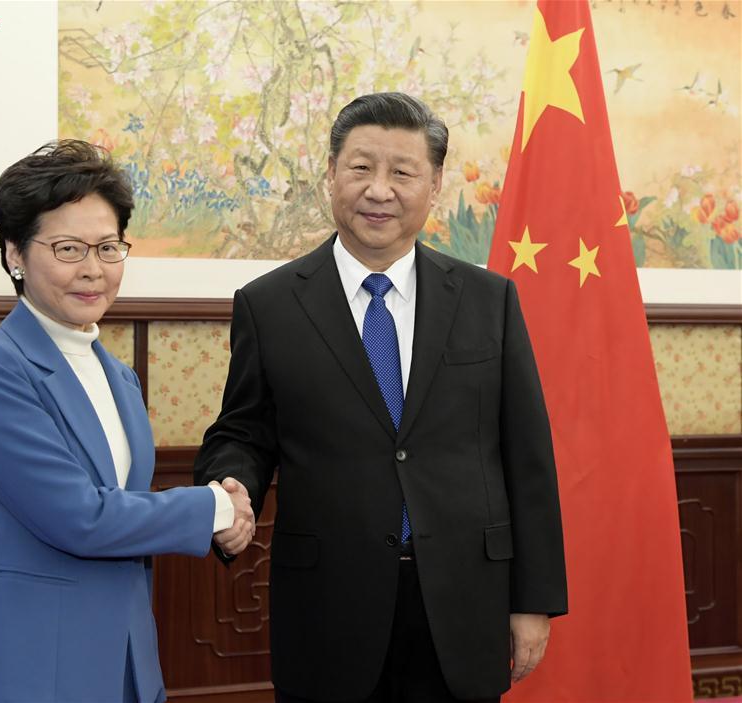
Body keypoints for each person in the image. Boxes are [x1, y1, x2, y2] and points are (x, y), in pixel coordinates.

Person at [194, 93, 568, 703]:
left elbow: (528, 457)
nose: (379, 190)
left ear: (435, 184)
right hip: (329, 606)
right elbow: (244, 432)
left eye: (403, 172)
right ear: (331, 174)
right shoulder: (269, 305)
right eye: (361, 167)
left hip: (463, 601)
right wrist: (230, 485)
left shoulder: (488, 301)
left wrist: (534, 600)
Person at [0, 140, 254, 703]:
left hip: (128, 662)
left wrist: (219, 512)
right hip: (28, 666)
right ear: (14, 253)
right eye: (67, 248)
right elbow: (77, 517)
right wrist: (212, 506)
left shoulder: (119, 376)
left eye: (108, 247)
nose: (93, 270)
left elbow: (121, 504)